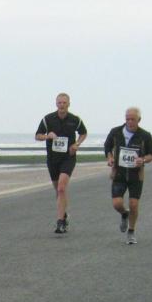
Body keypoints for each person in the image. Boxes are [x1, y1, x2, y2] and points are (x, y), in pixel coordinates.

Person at [35, 93, 88, 234]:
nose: (62, 105)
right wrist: (47, 136)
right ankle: (63, 215)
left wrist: (77, 144)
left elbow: (83, 133)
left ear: (69, 104)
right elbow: (37, 136)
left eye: (64, 102)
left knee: (61, 188)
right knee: (57, 190)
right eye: (59, 103)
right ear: (56, 104)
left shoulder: (75, 120)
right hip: (53, 159)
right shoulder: (48, 119)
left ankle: (60, 222)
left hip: (68, 158)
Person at [104, 107, 152, 244]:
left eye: (133, 119)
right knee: (117, 204)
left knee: (134, 204)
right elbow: (107, 147)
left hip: (136, 175)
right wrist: (110, 158)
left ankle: (131, 231)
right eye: (127, 119)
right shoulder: (116, 132)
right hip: (119, 173)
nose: (130, 122)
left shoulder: (145, 135)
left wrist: (143, 160)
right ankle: (124, 213)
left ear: (139, 120)